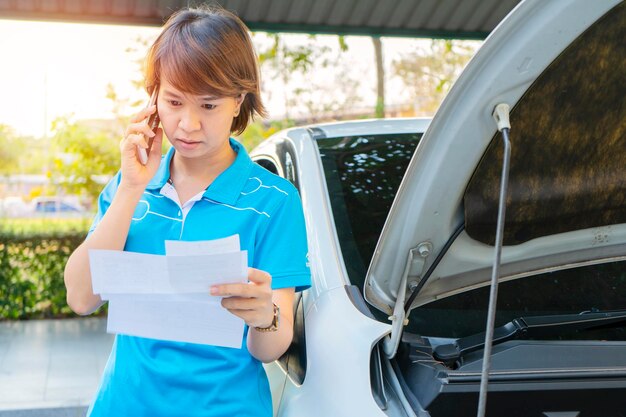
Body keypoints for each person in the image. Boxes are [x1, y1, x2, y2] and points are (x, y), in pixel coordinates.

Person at [63, 6, 310, 417]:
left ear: (238, 102)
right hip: (123, 405)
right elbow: (81, 297)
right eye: (174, 101)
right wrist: (131, 188)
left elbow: (269, 348)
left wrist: (264, 315)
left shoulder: (274, 201)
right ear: (154, 98)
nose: (188, 124)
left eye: (209, 105)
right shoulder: (130, 186)